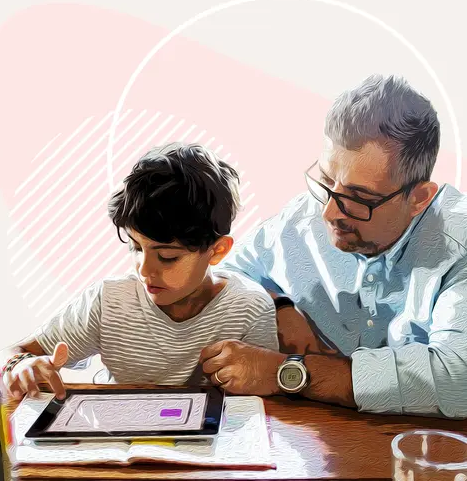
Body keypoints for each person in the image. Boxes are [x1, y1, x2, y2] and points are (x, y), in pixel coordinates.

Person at [200, 74, 467, 419]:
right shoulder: (303, 217)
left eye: (359, 199)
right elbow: (222, 275)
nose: (328, 212)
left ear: (418, 198)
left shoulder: (457, 248)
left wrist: (289, 373)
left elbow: (458, 376)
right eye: (326, 181)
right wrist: (278, 307)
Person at [0, 142, 279, 400]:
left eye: (167, 257)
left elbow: (267, 402)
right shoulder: (109, 301)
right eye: (135, 247)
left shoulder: (249, 308)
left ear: (217, 251)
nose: (144, 269)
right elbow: (12, 354)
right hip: (116, 443)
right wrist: (19, 366)